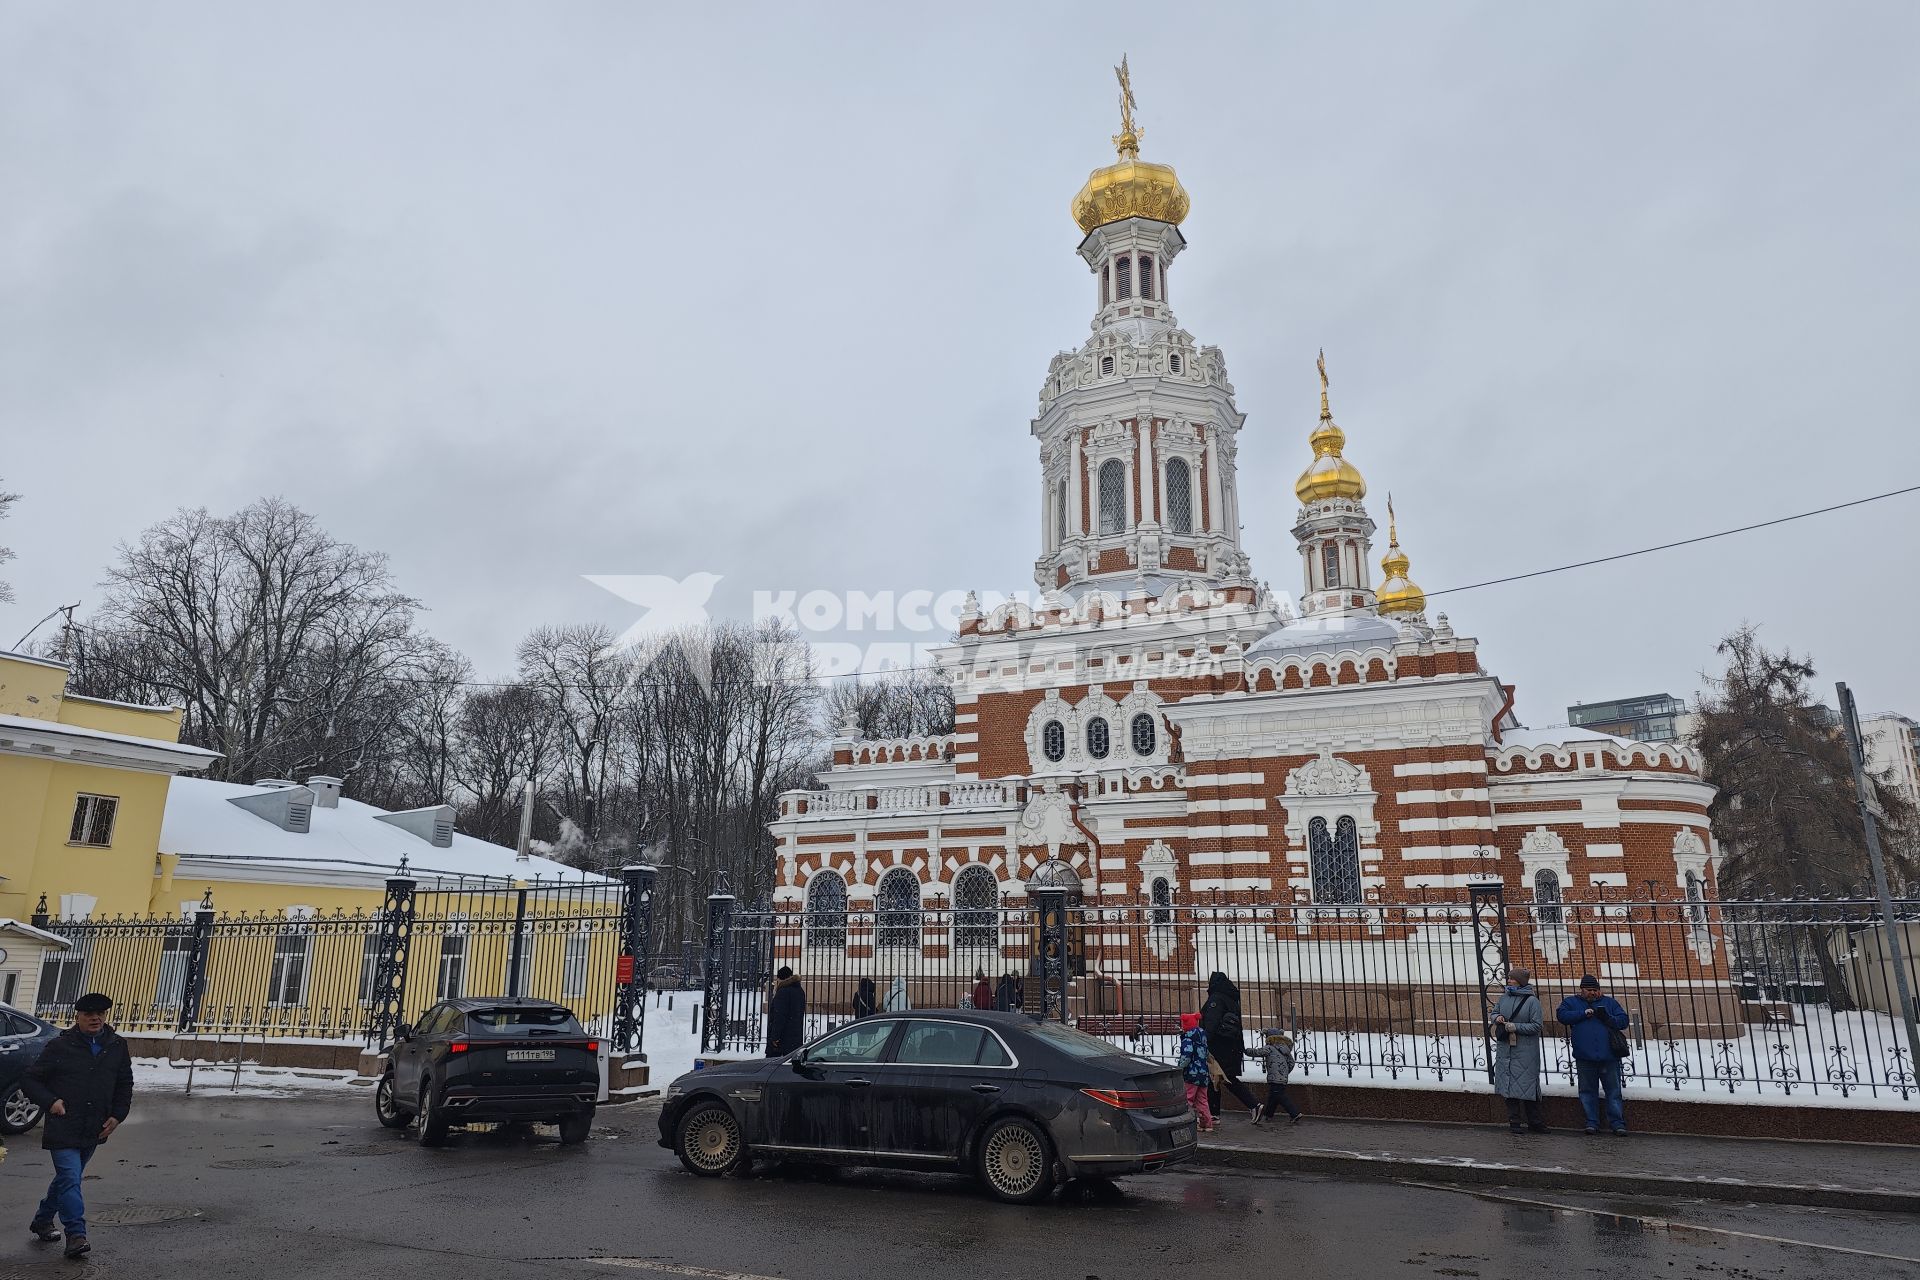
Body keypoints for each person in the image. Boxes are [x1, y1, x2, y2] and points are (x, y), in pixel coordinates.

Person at [20, 993, 133, 1259]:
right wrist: (51, 1102)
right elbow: (30, 1080)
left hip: (95, 1126)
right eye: (89, 1015)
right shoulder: (60, 1046)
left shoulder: (116, 1045)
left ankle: (42, 1219)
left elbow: (124, 1084)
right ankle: (76, 1235)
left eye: (101, 1014)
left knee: (66, 1180)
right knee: (71, 1178)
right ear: (78, 1017)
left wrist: (117, 1116)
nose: (96, 1019)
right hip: (64, 1123)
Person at [1557, 973, 1631, 1135]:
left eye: (1595, 990)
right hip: (1584, 1056)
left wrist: (1607, 1017)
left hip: (1609, 1056)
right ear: (1581, 990)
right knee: (1587, 1091)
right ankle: (1591, 1122)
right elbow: (1562, 1016)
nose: (1592, 993)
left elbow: (1623, 1021)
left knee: (1613, 1092)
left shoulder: (1609, 1003)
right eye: (1589, 990)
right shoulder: (1571, 1002)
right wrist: (1583, 1013)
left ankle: (1617, 1123)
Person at [1199, 972, 1265, 1121]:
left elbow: (1212, 1023)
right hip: (1232, 1045)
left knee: (1223, 1077)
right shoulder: (1231, 999)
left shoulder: (1216, 999)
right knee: (1215, 1078)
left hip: (1219, 1047)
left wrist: (1203, 1041)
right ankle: (1213, 1114)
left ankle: (1253, 1104)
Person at [1490, 967, 1548, 1135]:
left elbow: (1537, 1026)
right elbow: (1494, 1013)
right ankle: (1514, 1121)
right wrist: (1497, 1018)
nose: (1509, 981)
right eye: (1509, 979)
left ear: (1520, 982)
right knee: (1508, 1085)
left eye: (1512, 979)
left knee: (1527, 1086)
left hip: (1525, 1051)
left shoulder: (1532, 1002)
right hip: (1506, 1049)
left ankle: (1535, 1122)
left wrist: (1515, 1026)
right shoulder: (1504, 997)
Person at [1243, 1028, 1303, 1125]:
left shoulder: (1270, 1048)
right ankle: (1268, 1115)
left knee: (1279, 1096)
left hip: (1274, 1077)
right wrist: (1285, 1072)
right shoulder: (1285, 1049)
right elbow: (1291, 1062)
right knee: (1273, 1096)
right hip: (1283, 1078)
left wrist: (1246, 1051)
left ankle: (1294, 1113)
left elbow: (1258, 1052)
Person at [1176, 1012, 1214, 1133]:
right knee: (1202, 1100)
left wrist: (1179, 1068)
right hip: (1203, 1075)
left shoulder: (1188, 1039)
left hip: (1191, 1075)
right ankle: (1207, 1124)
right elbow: (1207, 1055)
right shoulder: (1202, 1039)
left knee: (1188, 1100)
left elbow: (1186, 1057)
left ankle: (1189, 1122)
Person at [765, 966, 806, 1057]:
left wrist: (775, 1037)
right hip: (795, 1038)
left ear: (780, 979)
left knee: (772, 1067)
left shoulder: (783, 992)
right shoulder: (799, 990)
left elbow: (779, 1016)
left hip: (782, 1040)